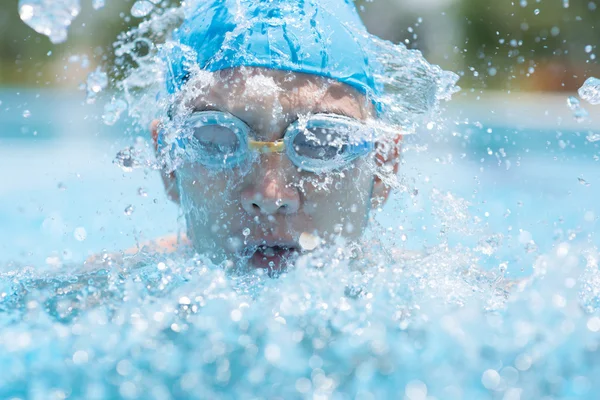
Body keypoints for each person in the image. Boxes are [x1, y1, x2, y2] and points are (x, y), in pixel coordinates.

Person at [145, 0, 401, 273]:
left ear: (382, 164)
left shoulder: (443, 301)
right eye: (217, 140)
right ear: (168, 162)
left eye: (321, 143)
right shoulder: (102, 295)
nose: (270, 197)